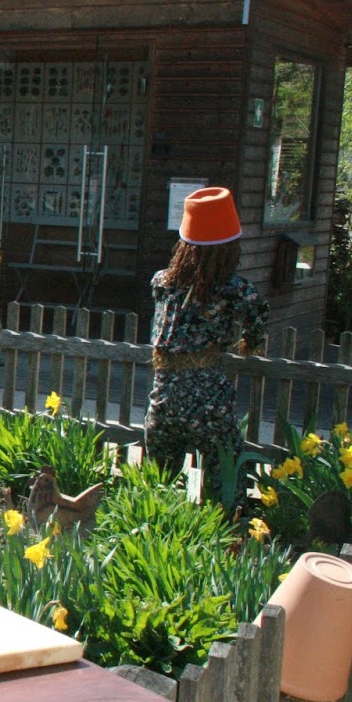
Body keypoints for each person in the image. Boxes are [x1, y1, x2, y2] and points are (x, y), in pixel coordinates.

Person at [144, 186, 269, 504]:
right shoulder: (236, 290)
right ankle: (229, 522)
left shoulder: (161, 283)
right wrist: (250, 342)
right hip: (209, 400)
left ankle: (156, 526)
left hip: (164, 398)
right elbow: (257, 314)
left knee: (157, 483)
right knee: (226, 475)